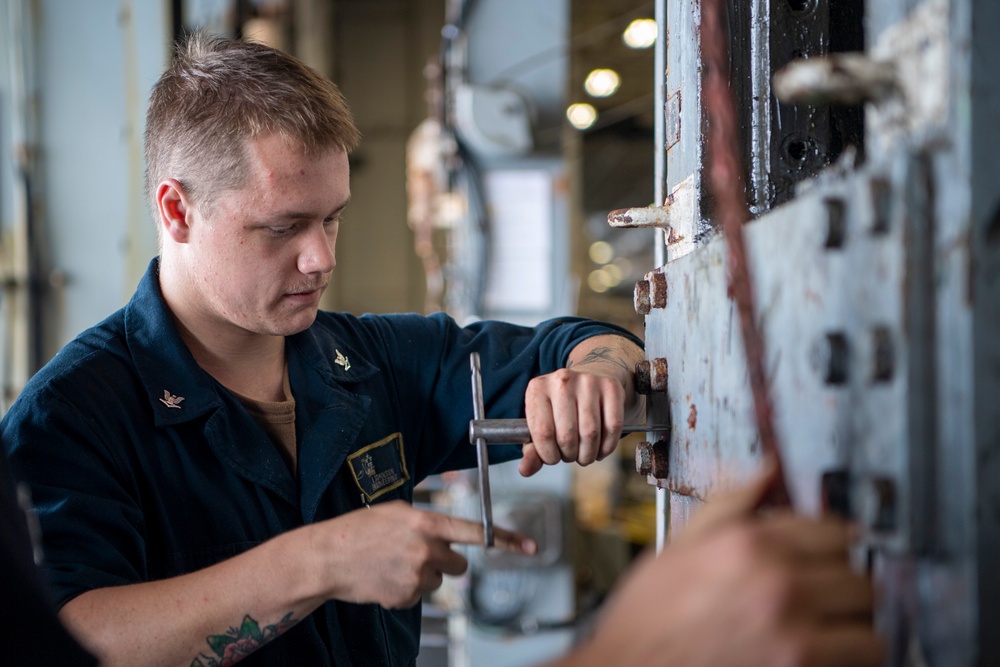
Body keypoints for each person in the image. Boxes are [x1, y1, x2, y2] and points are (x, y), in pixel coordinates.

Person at [1, 31, 646, 666]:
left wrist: (597, 377)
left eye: (332, 217)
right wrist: (323, 562)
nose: (321, 258)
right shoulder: (72, 418)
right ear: (177, 211)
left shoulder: (375, 365)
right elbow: (68, 640)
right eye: (283, 227)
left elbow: (587, 342)